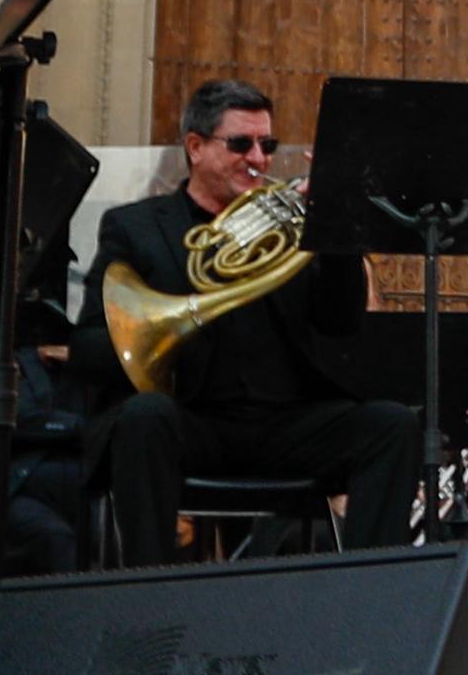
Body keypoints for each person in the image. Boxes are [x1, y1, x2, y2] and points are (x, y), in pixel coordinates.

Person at [77, 80, 419, 563]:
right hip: (192, 419)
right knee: (142, 418)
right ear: (195, 147)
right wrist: (173, 324)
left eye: (267, 145)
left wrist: (336, 232)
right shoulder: (136, 227)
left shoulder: (294, 226)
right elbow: (88, 347)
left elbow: (341, 324)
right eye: (240, 144)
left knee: (393, 426)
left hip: (285, 424)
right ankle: (145, 596)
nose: (257, 158)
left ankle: (372, 593)